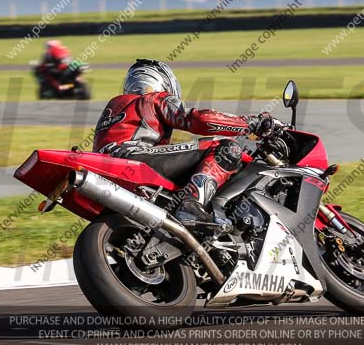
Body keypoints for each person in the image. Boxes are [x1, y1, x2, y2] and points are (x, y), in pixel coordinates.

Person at [92, 59, 279, 227]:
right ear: (163, 82)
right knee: (225, 148)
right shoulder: (153, 99)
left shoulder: (114, 107)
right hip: (133, 159)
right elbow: (200, 120)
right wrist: (249, 124)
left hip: (107, 169)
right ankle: (191, 206)